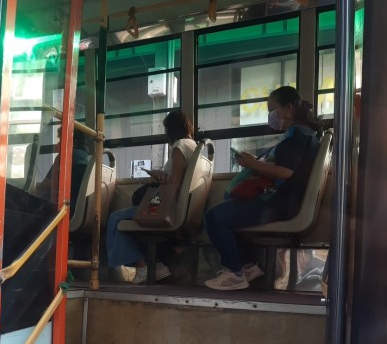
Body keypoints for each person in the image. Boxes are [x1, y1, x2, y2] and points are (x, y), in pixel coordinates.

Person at [204, 86, 321, 291]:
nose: (270, 116)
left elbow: (285, 172)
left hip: (278, 205)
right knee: (230, 211)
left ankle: (235, 273)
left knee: (214, 217)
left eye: (272, 110)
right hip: (287, 202)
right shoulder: (305, 133)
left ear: (288, 108)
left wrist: (253, 164)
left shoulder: (297, 134)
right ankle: (248, 266)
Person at [107, 110, 197, 284]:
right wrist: (162, 175)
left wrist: (160, 178)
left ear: (171, 129)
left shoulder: (180, 146)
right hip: (181, 206)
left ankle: (142, 267)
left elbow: (175, 184)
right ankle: (158, 266)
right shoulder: (194, 146)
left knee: (115, 219)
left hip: (167, 206)